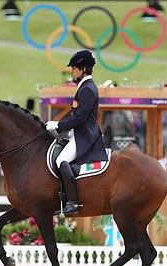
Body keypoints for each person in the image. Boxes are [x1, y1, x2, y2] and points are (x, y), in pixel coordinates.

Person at [46, 50, 108, 215]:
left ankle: (72, 202)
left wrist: (57, 125)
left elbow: (79, 118)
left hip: (85, 136)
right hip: (79, 133)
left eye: (74, 68)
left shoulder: (87, 89)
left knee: (61, 160)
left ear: (84, 69)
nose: (72, 71)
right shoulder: (84, 86)